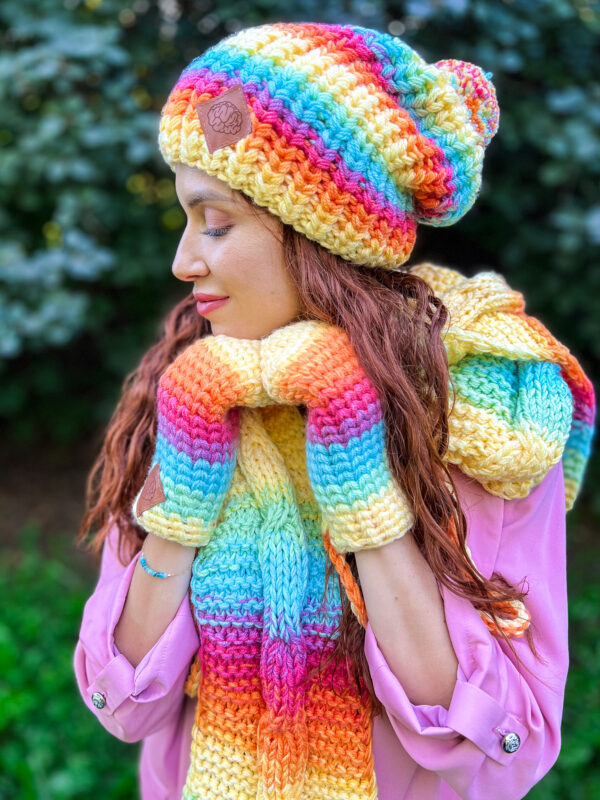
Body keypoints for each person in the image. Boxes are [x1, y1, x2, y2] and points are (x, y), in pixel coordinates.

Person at [73, 21, 595, 800]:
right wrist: (181, 503)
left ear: (318, 234)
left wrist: (364, 490)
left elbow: (510, 749)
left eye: (215, 222)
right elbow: (121, 705)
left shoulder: (491, 417)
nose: (183, 260)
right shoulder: (191, 387)